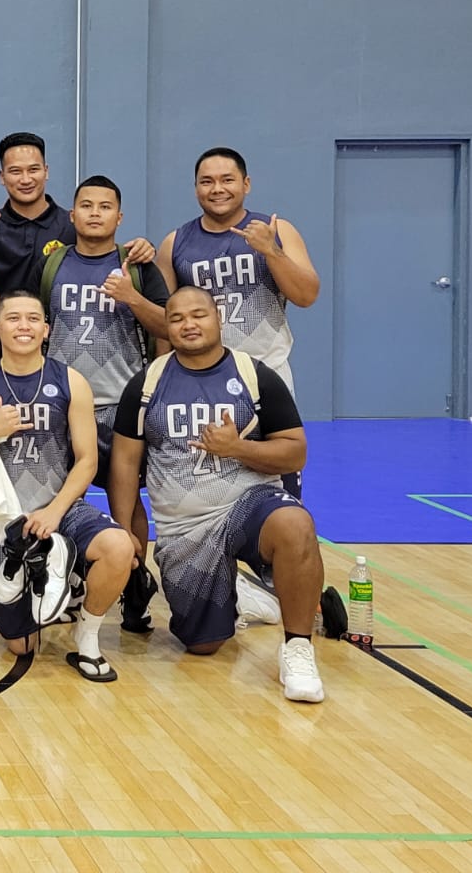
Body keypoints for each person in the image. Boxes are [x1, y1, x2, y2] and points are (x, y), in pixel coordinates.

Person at [108, 286, 324, 703]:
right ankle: (246, 592)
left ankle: (297, 649)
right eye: (176, 318)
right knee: (203, 644)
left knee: (295, 523)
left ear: (218, 317)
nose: (189, 324)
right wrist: (125, 530)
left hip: (248, 504)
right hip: (184, 527)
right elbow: (124, 465)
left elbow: (295, 451)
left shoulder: (254, 376)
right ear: (166, 327)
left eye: (198, 315)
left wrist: (238, 448)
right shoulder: (147, 384)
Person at [0, 290, 134, 682]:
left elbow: (87, 459)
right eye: (13, 319)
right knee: (23, 644)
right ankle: (56, 576)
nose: (24, 326)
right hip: (7, 524)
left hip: (59, 508)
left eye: (33, 319)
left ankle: (88, 635)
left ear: (46, 329)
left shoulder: (71, 381)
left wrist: (54, 511)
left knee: (119, 547)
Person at [40, 175, 169, 630]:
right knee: (55, 495)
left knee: (127, 502)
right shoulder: (52, 265)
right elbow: (34, 321)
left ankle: (134, 583)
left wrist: (131, 297)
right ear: (71, 215)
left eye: (105, 206)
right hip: (65, 403)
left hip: (122, 403)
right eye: (86, 205)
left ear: (120, 216)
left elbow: (169, 328)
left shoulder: (137, 266)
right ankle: (64, 580)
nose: (95, 213)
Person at [158, 148, 317, 497]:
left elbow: (307, 295)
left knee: (280, 477)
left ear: (245, 184)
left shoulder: (276, 229)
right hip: (202, 382)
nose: (217, 188)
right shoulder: (175, 243)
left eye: (227, 180)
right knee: (207, 483)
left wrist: (271, 250)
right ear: (195, 188)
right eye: (207, 181)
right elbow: (162, 322)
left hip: (266, 373)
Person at [0, 132, 153, 370]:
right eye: (15, 171)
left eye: (33, 169)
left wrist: (145, 248)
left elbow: (108, 251)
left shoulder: (73, 225)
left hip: (53, 362)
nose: (26, 179)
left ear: (46, 171)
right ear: (2, 176)